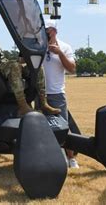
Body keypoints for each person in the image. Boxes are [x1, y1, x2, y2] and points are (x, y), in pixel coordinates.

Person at [42, 19, 79, 168]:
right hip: (40, 94)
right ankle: (53, 157)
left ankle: (71, 158)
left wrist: (59, 53)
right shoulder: (37, 46)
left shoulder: (65, 47)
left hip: (57, 93)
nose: (46, 33)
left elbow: (72, 68)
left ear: (55, 31)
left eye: (48, 30)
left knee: (63, 126)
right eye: (44, 30)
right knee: (42, 128)